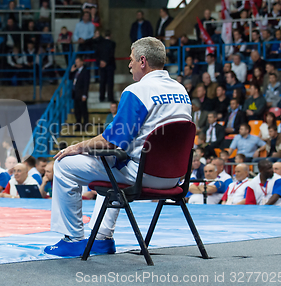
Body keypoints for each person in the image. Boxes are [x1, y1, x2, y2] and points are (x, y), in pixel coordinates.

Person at [44, 37, 192, 257]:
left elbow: (112, 142)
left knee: (64, 164)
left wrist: (78, 147)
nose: (129, 64)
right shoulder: (182, 92)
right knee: (113, 163)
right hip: (174, 177)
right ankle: (101, 238)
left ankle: (73, 239)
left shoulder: (138, 91)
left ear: (143, 61)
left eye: (131, 60)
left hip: (142, 175)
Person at [96, 30, 116, 102]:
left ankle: (101, 97)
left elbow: (97, 54)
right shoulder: (112, 43)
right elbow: (111, 54)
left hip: (102, 65)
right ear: (110, 35)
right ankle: (110, 98)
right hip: (110, 65)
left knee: (102, 82)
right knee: (110, 83)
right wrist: (106, 62)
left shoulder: (99, 44)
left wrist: (101, 61)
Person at [70, 57, 90, 130]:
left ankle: (85, 126)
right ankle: (78, 126)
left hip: (82, 94)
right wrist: (72, 71)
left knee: (83, 111)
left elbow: (86, 84)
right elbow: (70, 78)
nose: (76, 64)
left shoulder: (85, 71)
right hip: (75, 94)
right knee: (77, 111)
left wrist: (84, 94)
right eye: (76, 62)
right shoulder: (76, 71)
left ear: (82, 62)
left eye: (78, 62)